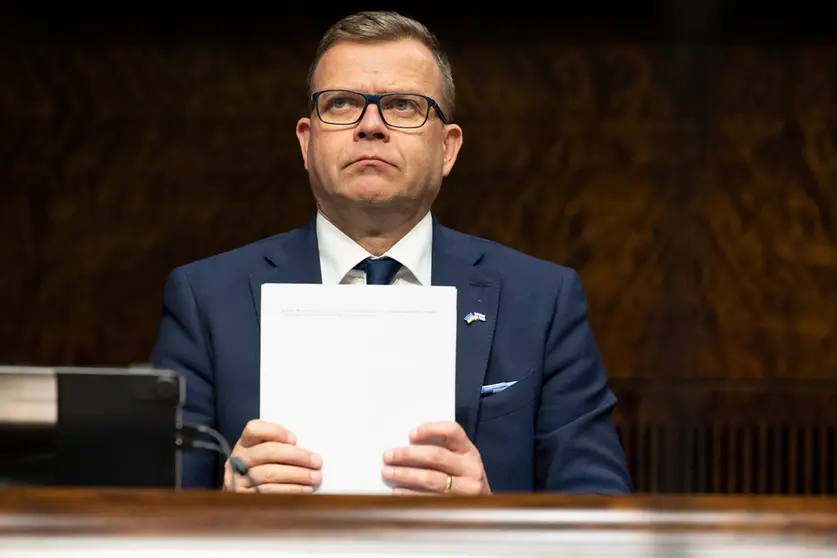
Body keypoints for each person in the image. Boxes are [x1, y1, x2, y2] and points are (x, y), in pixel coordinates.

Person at [149, 10, 632, 495]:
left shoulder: (543, 301)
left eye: (403, 105)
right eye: (341, 104)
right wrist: (227, 512)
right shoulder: (206, 298)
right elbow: (145, 510)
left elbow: (601, 506)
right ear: (305, 141)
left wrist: (489, 517)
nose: (371, 125)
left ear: (448, 149)